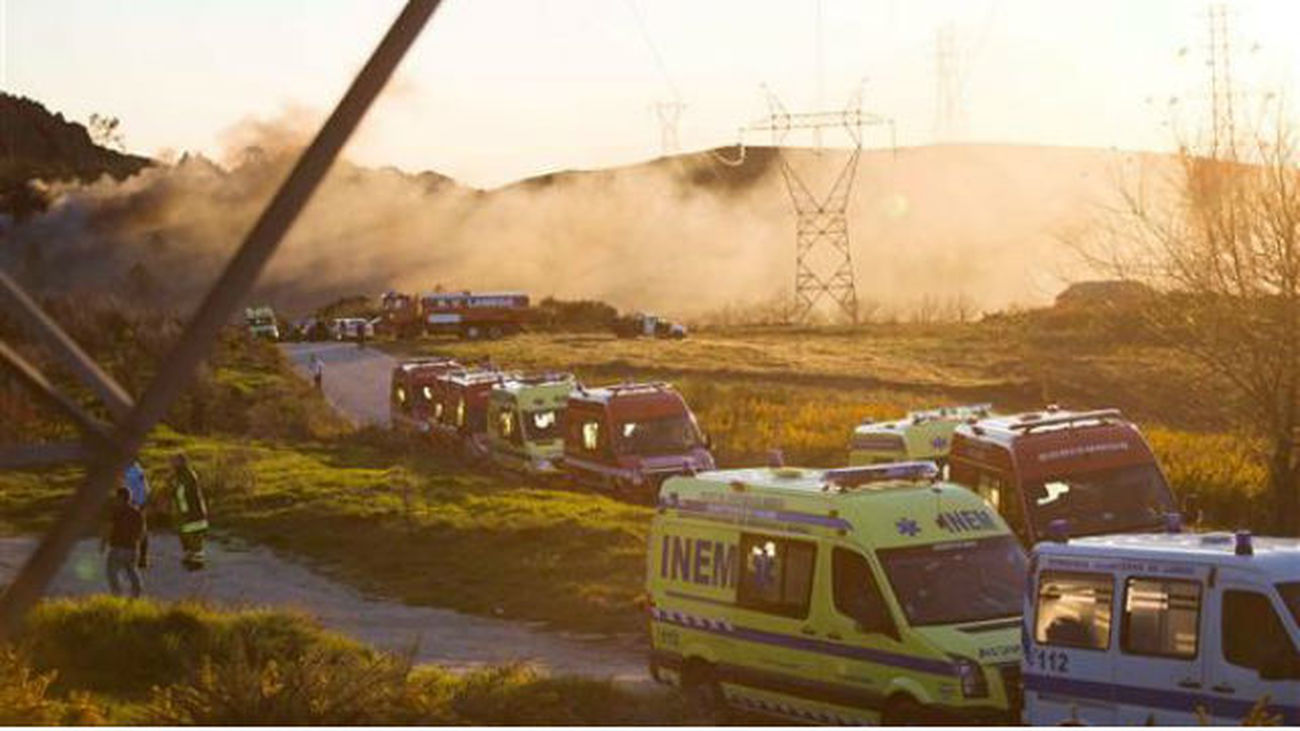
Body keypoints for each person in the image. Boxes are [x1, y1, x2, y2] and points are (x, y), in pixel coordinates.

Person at [102, 487, 145, 598]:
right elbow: (142, 533)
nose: (115, 500)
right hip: (132, 548)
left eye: (117, 497)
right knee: (132, 572)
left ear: (121, 498)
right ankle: (136, 595)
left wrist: (103, 543)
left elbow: (109, 528)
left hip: (117, 548)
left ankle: (117, 596)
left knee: (111, 573)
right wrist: (138, 547)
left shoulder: (117, 512)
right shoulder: (137, 513)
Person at [170, 452, 209, 571]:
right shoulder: (178, 475)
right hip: (184, 512)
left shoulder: (188, 475)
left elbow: (184, 492)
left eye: (175, 461)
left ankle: (197, 561)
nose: (172, 464)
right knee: (185, 535)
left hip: (192, 511)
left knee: (194, 536)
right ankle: (190, 557)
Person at [123, 460, 151, 568]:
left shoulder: (134, 471)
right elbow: (146, 489)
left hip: (136, 504)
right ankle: (139, 558)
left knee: (138, 531)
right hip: (134, 503)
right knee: (137, 530)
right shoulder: (135, 470)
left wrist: (140, 503)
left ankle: (141, 558)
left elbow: (143, 489)